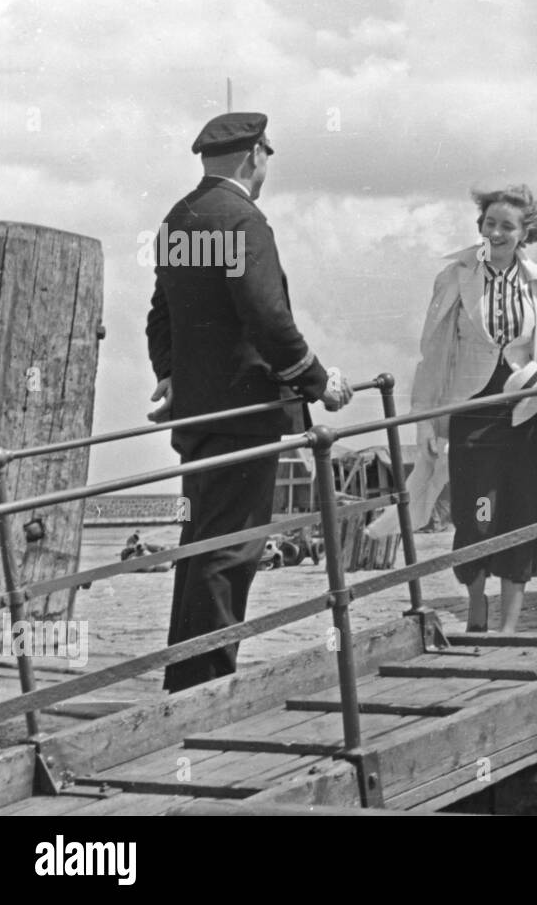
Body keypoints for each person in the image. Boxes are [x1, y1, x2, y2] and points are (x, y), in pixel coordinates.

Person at [145, 112, 352, 693]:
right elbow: (266, 318)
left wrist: (172, 375)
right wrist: (318, 382)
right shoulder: (243, 220)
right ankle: (205, 687)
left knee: (202, 542)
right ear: (255, 154)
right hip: (243, 413)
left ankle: (186, 680)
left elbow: (161, 314)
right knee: (232, 548)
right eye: (267, 155)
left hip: (199, 415)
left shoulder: (180, 218)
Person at [407, 185, 537, 632]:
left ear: (526, 233)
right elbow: (434, 351)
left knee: (525, 509)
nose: (495, 232)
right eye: (489, 223)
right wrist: (425, 419)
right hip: (474, 410)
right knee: (476, 511)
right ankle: (477, 606)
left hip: (526, 410)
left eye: (507, 226)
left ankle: (509, 625)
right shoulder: (456, 277)